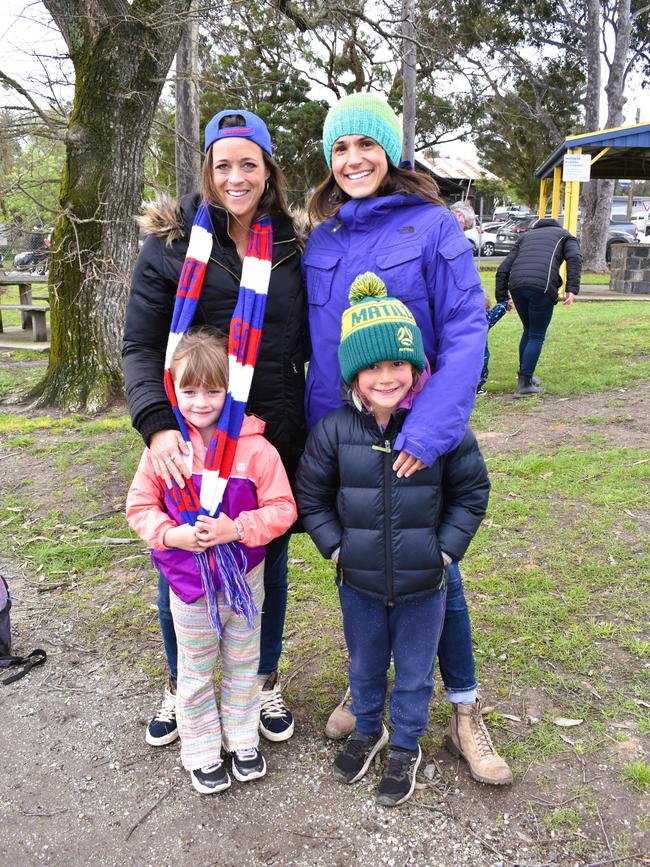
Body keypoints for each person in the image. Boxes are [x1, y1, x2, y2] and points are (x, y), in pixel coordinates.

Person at [303, 92, 512, 786]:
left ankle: (462, 708)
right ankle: (366, 696)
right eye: (340, 148)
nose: (354, 159)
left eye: (366, 145)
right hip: (349, 436)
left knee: (434, 570)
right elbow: (319, 345)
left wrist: (429, 427)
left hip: (422, 431)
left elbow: (464, 330)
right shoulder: (323, 237)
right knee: (362, 567)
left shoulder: (433, 226)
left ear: (390, 151)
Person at [123, 109, 306, 748]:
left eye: (248, 164)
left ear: (268, 171)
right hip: (188, 433)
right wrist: (154, 425)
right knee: (182, 555)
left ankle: (259, 679)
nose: (236, 176)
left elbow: (307, 334)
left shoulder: (292, 242)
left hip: (268, 430)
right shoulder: (170, 245)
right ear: (206, 170)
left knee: (266, 558)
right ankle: (182, 682)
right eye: (222, 164)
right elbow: (141, 344)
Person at [296, 273, 490, 807]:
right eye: (373, 367)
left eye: (398, 364)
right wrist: (336, 547)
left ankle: (405, 742)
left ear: (416, 367)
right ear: (354, 374)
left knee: (413, 671)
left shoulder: (442, 430)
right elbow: (311, 495)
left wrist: (446, 551)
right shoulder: (334, 431)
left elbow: (471, 493)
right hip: (356, 579)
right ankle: (367, 728)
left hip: (424, 582)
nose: (386, 377)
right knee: (363, 663)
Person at [127, 327, 297, 793]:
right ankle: (201, 748)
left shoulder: (256, 448)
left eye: (212, 390)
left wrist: (236, 529)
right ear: (172, 389)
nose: (201, 401)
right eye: (189, 390)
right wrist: (171, 534)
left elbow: (284, 509)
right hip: (188, 584)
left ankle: (242, 737)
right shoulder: (164, 451)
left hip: (245, 581)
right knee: (196, 668)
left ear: (231, 388)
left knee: (245, 662)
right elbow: (139, 507)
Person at [495, 217, 582, 397]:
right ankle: (525, 384)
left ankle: (525, 376)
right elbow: (574, 258)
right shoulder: (565, 236)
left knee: (529, 330)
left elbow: (503, 268)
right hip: (541, 287)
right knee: (536, 334)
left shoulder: (526, 237)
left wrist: (502, 297)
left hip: (517, 285)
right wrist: (571, 290)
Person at [478, 292, 511, 394]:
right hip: (480, 351)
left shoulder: (462, 317)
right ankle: (477, 388)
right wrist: (505, 304)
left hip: (462, 349)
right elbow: (496, 312)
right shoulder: (485, 318)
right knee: (481, 365)